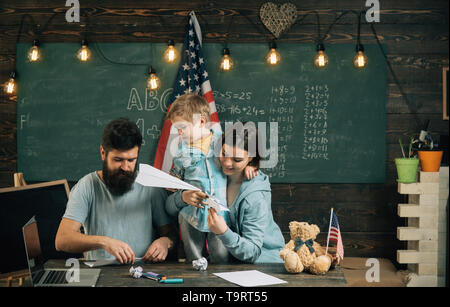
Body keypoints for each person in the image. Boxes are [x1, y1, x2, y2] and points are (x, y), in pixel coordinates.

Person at [55, 118, 177, 263]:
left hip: (145, 274)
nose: (125, 167)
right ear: (103, 153)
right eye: (118, 160)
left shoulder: (150, 186)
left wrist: (165, 242)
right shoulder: (87, 186)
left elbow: (172, 235)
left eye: (131, 160)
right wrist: (104, 242)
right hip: (101, 275)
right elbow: (62, 240)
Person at [164, 93, 257, 263]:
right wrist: (172, 184)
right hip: (190, 212)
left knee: (221, 255)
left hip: (219, 210)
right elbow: (176, 176)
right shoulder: (180, 152)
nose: (179, 132)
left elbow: (242, 154)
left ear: (200, 121)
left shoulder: (222, 142)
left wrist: (251, 165)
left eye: (182, 127)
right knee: (193, 255)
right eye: (176, 128)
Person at [207, 123, 285, 263]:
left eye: (237, 160)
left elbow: (253, 251)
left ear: (251, 158)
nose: (227, 163)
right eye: (224, 153)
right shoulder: (214, 174)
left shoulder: (255, 197)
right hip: (229, 261)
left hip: (265, 263)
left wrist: (223, 232)